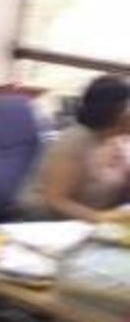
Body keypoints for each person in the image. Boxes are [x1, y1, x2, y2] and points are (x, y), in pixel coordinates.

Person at [19, 75, 130, 223]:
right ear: (116, 114)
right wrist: (99, 218)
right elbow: (56, 200)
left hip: (90, 223)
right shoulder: (73, 142)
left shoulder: (119, 140)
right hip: (46, 223)